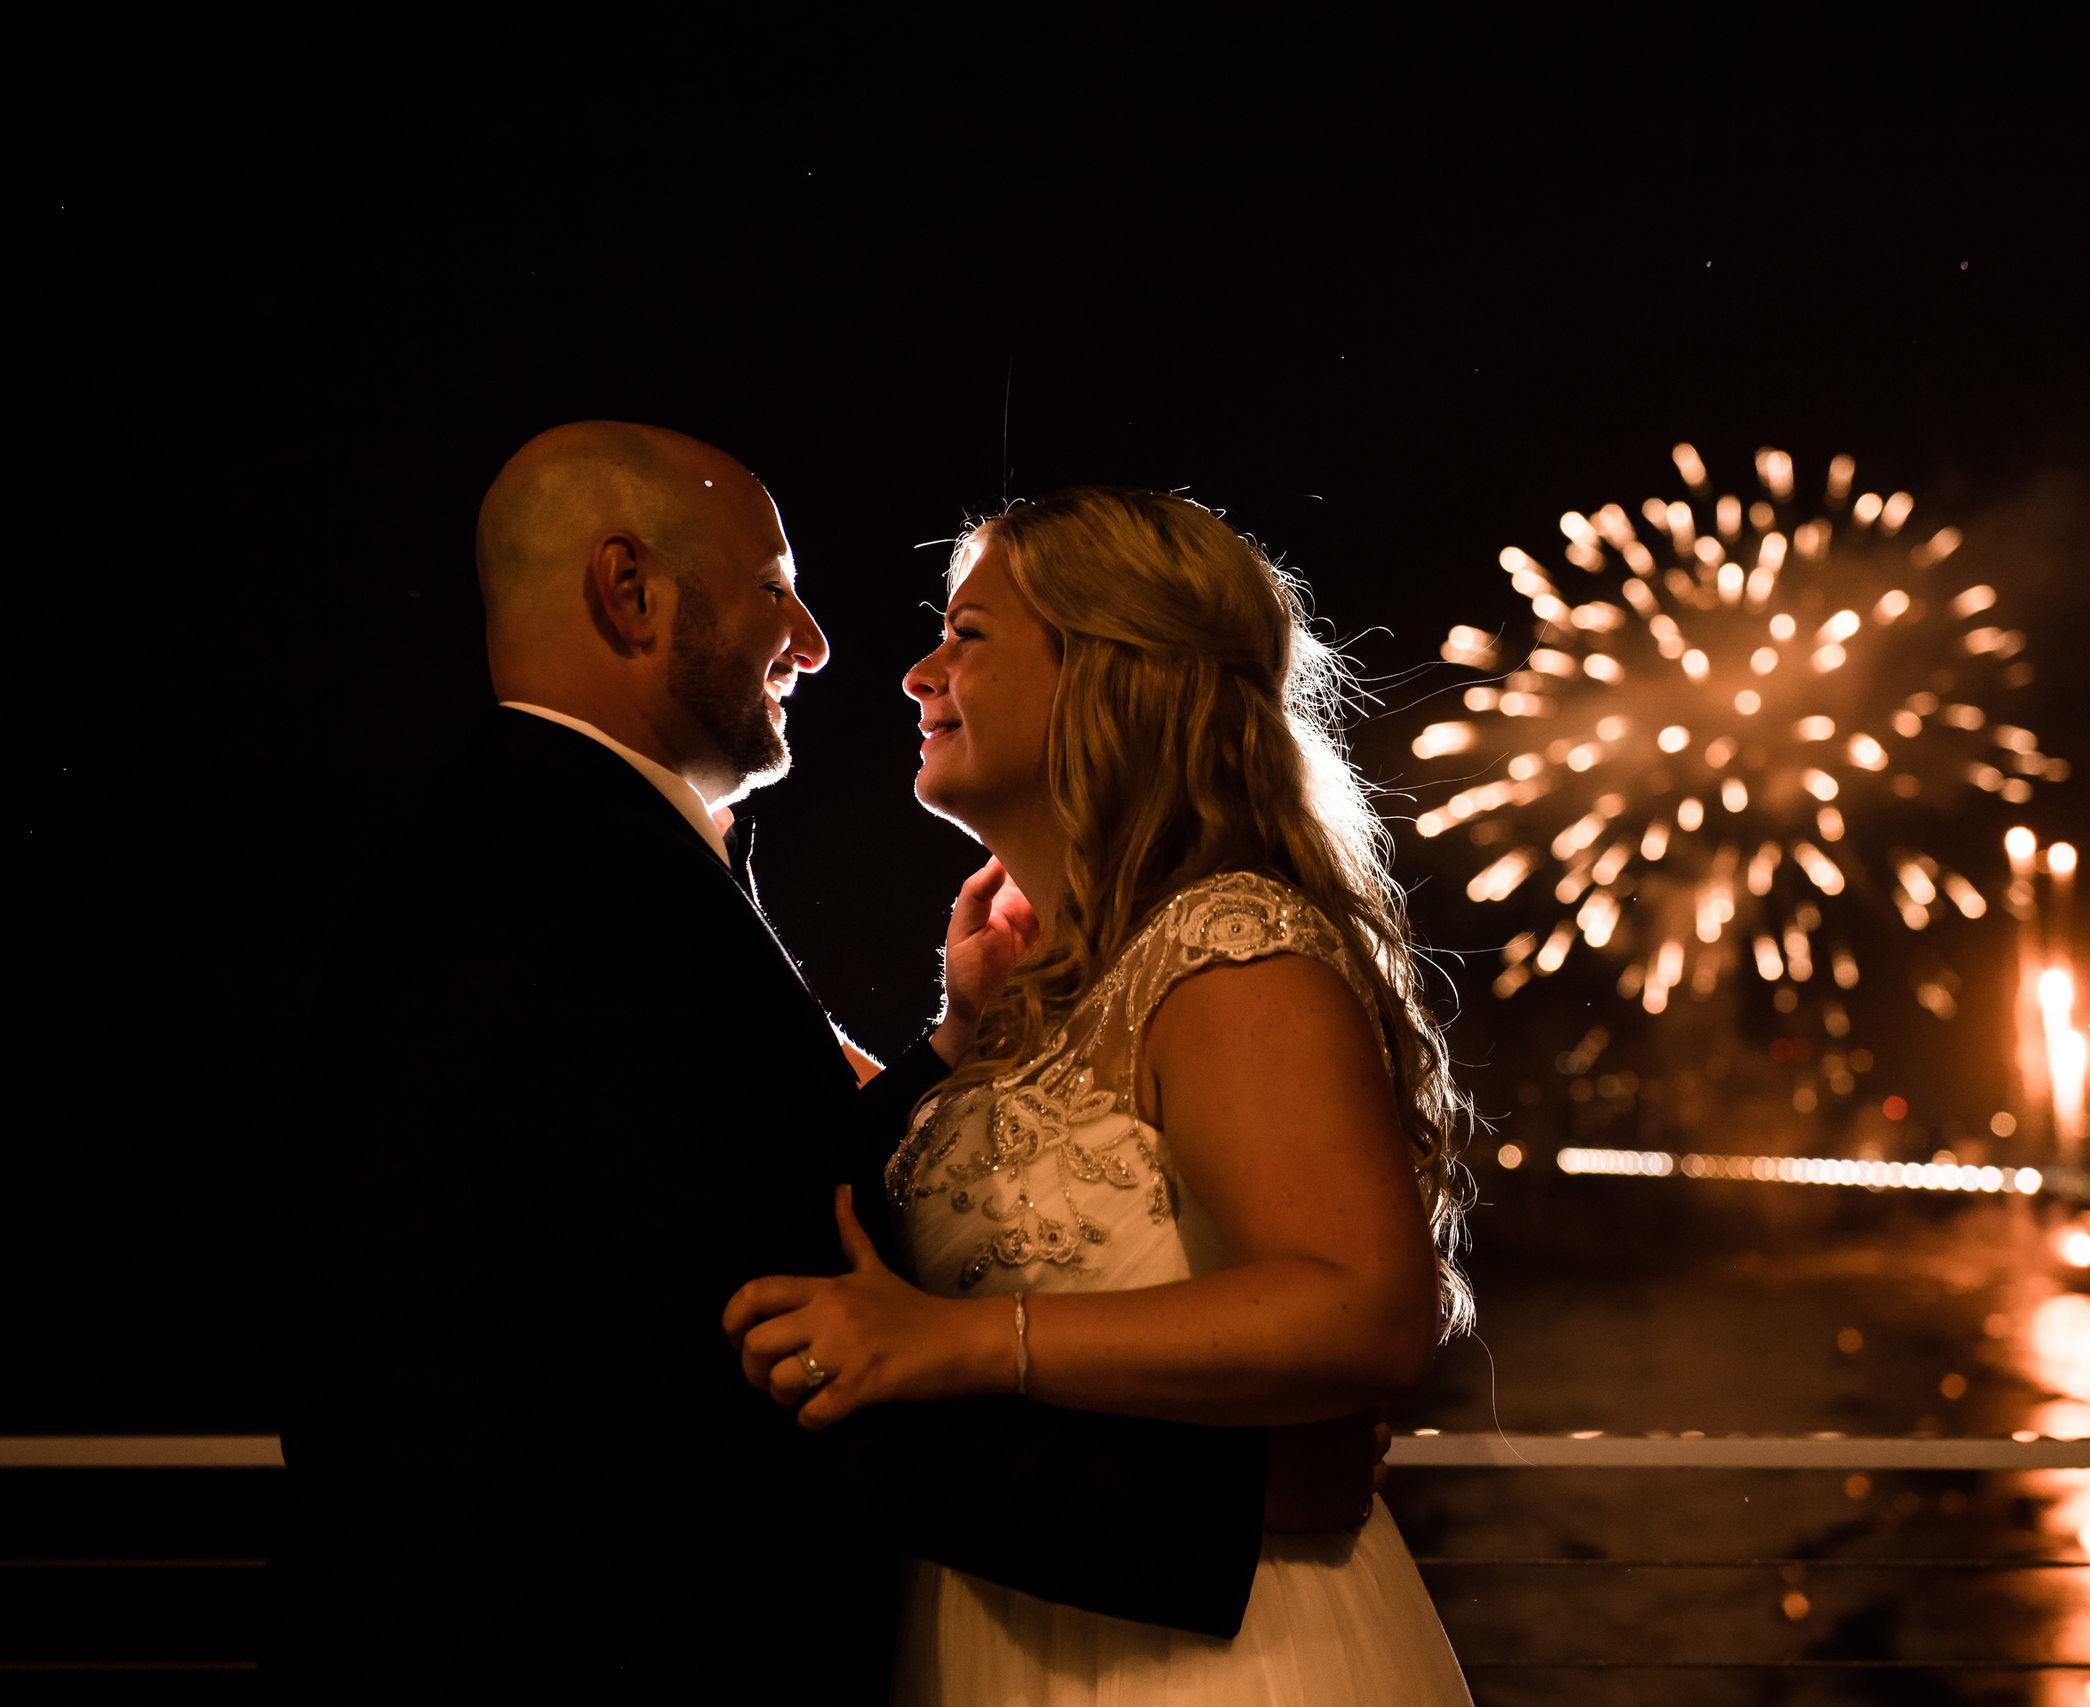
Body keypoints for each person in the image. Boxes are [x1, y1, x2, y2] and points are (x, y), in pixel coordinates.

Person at [279, 427, 1372, 1699]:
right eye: (771, 588)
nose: (821, 643)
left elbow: (733, 1214)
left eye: (965, 636)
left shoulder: (535, 852)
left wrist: (948, 1055)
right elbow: (740, 1355)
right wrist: (1220, 1503)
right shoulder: (581, 891)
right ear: (627, 593)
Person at [725, 487, 1477, 1703]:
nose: (918, 674)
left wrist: (960, 1343)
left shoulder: (1231, 948)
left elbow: (1363, 1311)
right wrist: (961, 1034)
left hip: (1212, 1658)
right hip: (1020, 1614)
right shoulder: (1058, 989)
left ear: (1109, 670)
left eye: (966, 635)